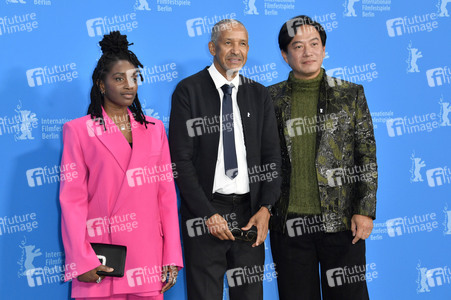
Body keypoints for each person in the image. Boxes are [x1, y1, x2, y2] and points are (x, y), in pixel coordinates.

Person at [59, 31, 183, 300]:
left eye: (134, 78)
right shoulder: (78, 131)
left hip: (146, 259)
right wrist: (81, 261)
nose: (129, 85)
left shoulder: (155, 129)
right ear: (101, 84)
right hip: (101, 261)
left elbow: (166, 197)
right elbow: (72, 200)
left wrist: (171, 255)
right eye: (119, 78)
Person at [169, 19, 281, 300]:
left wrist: (266, 208)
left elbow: (272, 158)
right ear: (212, 47)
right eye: (228, 42)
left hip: (250, 215)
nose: (236, 50)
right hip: (205, 214)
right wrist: (208, 214)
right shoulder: (188, 91)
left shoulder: (259, 93)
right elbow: (181, 161)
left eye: (242, 43)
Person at [268, 15, 378, 300]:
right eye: (298, 46)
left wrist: (365, 209)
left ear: (324, 48)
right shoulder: (270, 98)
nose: (308, 52)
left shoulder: (350, 94)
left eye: (314, 43)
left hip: (341, 223)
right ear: (284, 54)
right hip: (289, 225)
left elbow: (366, 154)